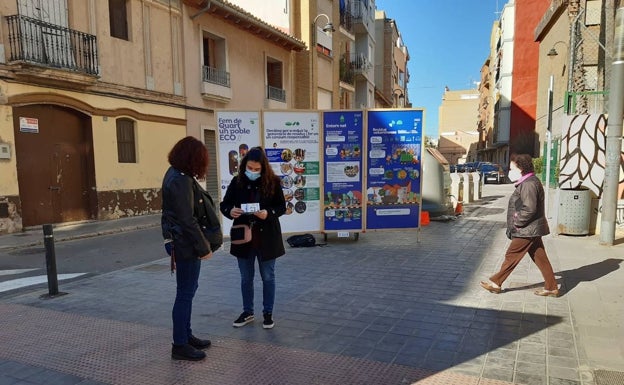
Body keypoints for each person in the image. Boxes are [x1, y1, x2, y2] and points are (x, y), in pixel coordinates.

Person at [220, 146, 286, 329]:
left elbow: (281, 206)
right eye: (250, 168)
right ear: (244, 166)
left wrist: (268, 213)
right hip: (244, 238)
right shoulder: (237, 181)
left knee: (268, 277)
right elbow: (225, 204)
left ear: (263, 168)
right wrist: (229, 211)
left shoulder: (273, 182)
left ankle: (268, 313)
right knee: (245, 278)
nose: (253, 172)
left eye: (257, 169)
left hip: (267, 238)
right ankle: (247, 312)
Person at [161, 136, 214, 361]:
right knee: (185, 293)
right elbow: (187, 219)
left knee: (188, 290)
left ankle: (186, 334)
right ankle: (180, 345)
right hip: (186, 245)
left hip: (180, 243)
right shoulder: (181, 180)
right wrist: (204, 248)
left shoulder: (173, 173)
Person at [480, 153, 559, 297]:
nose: (509, 171)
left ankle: (496, 283)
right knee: (540, 257)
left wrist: (517, 222)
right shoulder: (527, 182)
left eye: (512, 168)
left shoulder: (529, 184)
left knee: (512, 255)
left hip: (527, 229)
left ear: (521, 168)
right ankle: (552, 287)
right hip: (531, 228)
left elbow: (530, 208)